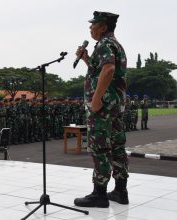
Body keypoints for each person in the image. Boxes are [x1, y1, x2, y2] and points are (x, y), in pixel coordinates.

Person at [74, 11, 129, 208]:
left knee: (100, 147)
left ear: (103, 27)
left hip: (103, 106)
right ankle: (121, 191)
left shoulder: (105, 44)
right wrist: (86, 59)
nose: (90, 28)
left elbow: (109, 70)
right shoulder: (114, 44)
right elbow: (101, 70)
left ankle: (99, 194)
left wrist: (96, 100)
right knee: (116, 146)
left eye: (93, 25)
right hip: (114, 105)